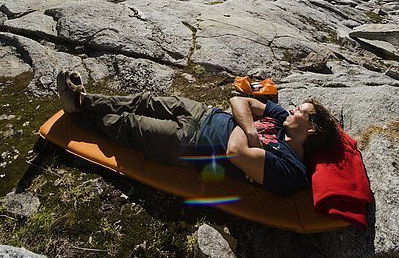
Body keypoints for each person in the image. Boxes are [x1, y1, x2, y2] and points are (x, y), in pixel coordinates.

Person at [57, 70, 340, 197]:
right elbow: (238, 100)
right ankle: (85, 101)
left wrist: (245, 131)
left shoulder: (291, 170)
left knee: (130, 125)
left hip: (190, 144)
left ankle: (79, 114)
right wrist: (251, 132)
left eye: (299, 111)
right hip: (203, 113)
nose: (291, 110)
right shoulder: (280, 122)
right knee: (145, 100)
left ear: (311, 128)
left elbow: (234, 152)